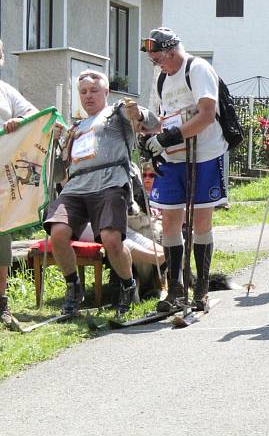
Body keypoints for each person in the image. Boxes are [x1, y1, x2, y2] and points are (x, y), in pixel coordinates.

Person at [45, 70, 159, 315]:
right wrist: (56, 143)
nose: (88, 96)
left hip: (110, 182)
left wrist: (138, 113)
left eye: (94, 91)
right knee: (58, 231)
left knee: (111, 240)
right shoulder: (74, 128)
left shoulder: (116, 112)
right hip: (76, 187)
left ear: (106, 92)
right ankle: (74, 286)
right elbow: (56, 174)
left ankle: (128, 285)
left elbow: (152, 124)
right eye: (83, 92)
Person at [142, 27, 228, 312]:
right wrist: (150, 134)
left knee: (201, 221)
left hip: (204, 152)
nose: (157, 64)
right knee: (169, 221)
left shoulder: (198, 68)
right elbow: (163, 119)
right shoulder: (162, 78)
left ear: (171, 50)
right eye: (154, 60)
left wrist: (170, 136)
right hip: (175, 155)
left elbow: (206, 114)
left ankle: (200, 289)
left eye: (158, 58)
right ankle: (176, 288)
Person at [0, 40, 38, 329]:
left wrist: (17, 121)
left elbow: (33, 114)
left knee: (2, 242)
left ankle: (1, 305)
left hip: (2, 180)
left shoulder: (6, 90)